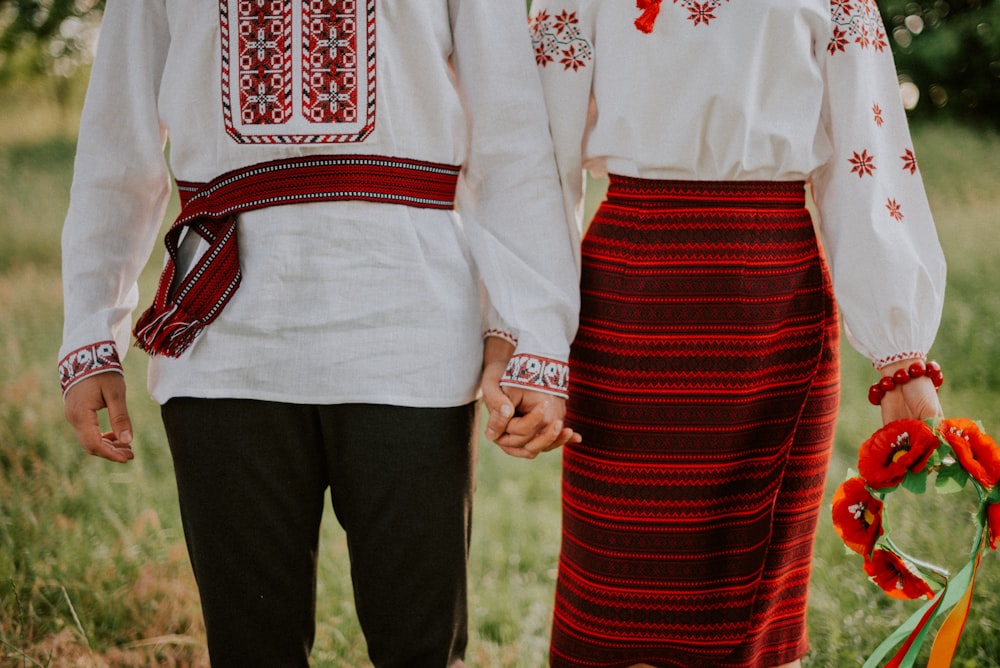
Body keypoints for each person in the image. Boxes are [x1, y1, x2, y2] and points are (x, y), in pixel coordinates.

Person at [57, 1, 580, 666]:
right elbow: (116, 138)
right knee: (251, 649)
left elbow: (511, 137)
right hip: (228, 341)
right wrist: (89, 330)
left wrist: (532, 333)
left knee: (419, 648)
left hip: (409, 330)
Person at [527, 1, 947, 666]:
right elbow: (539, 160)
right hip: (626, 304)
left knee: (750, 613)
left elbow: (866, 160)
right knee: (608, 598)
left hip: (771, 305)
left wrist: (902, 354)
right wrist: (532, 342)